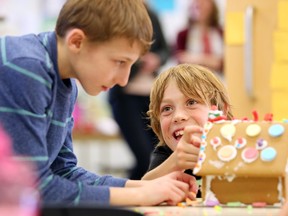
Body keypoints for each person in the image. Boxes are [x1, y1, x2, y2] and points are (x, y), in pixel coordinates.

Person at [0, 0, 197, 206]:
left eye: (131, 64)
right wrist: (141, 195)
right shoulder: (27, 67)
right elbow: (31, 188)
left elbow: (63, 171)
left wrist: (146, 187)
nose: (123, 80)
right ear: (76, 42)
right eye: (120, 62)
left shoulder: (66, 84)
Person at [142, 64, 233, 197]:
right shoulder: (167, 154)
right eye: (167, 109)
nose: (178, 116)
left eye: (191, 102)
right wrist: (175, 163)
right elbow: (142, 190)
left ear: (221, 110)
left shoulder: (235, 148)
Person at [108, 2, 169, 180]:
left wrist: (156, 59)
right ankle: (130, 196)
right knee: (144, 158)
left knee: (159, 158)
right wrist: (138, 61)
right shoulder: (115, 16)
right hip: (125, 97)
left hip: (150, 95)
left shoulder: (152, 15)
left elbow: (165, 49)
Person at [174, 0, 224, 79]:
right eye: (197, 3)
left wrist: (194, 59)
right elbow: (180, 62)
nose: (201, 6)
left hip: (219, 80)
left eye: (204, 3)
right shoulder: (183, 34)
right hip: (193, 81)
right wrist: (213, 61)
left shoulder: (221, 32)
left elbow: (225, 63)